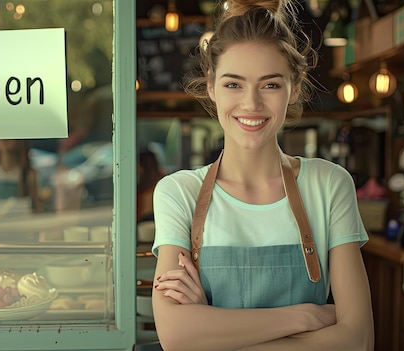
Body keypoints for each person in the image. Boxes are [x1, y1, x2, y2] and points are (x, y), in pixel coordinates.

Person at [151, 1, 374, 350]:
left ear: (294, 88)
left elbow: (356, 340)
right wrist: (304, 317)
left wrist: (211, 330)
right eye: (233, 85)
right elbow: (176, 335)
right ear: (211, 87)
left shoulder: (329, 185)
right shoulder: (178, 193)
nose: (251, 104)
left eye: (269, 85)